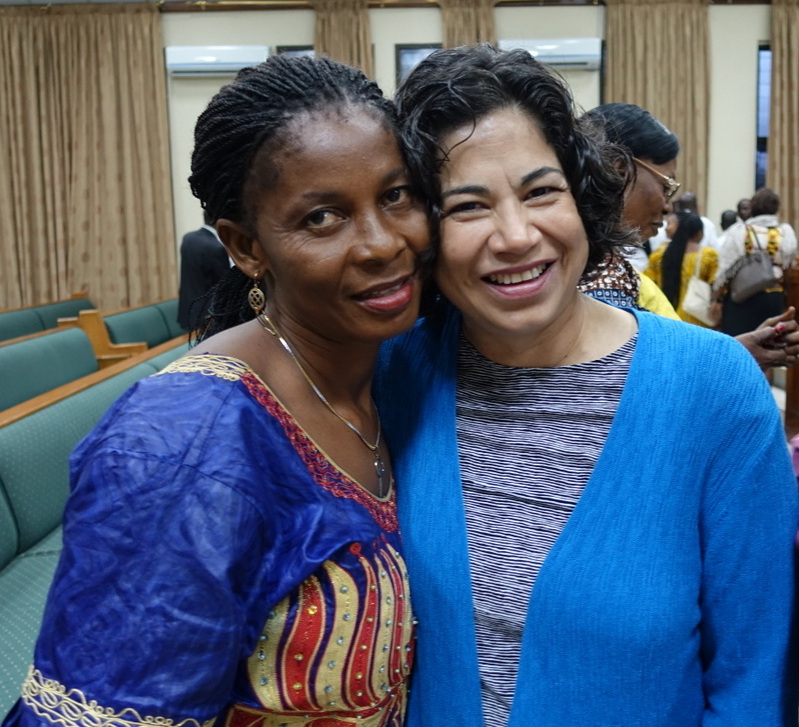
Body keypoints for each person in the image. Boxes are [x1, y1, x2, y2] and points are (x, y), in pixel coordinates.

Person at [2, 55, 428, 727]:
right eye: (323, 217)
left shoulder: (396, 373)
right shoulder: (184, 442)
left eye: (396, 195)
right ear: (245, 246)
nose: (382, 243)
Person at [380, 44, 798, 726]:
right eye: (467, 206)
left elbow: (752, 679)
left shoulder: (712, 389)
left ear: (581, 198)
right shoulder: (394, 374)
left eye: (541, 192)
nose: (516, 236)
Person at [582, 102, 799, 370]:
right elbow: (638, 379)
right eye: (666, 186)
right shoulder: (592, 279)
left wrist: (735, 351)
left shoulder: (610, 267)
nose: (667, 207)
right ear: (619, 171)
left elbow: (660, 361)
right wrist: (733, 357)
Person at [713, 187, 797, 337]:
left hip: (742, 297)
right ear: (776, 208)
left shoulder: (740, 231)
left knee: (740, 342)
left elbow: (725, 271)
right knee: (770, 342)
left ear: (753, 207)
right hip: (773, 297)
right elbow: (788, 266)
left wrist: (716, 299)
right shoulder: (785, 233)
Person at [644, 210, 719, 327]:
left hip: (664, 317)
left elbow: (647, 283)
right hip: (697, 320)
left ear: (680, 228)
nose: (666, 228)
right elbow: (717, 285)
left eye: (670, 223)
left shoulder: (659, 254)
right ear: (699, 233)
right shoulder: (708, 255)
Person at [177, 208, 230, 331]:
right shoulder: (216, 247)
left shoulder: (188, 238)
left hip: (188, 309)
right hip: (207, 315)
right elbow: (225, 285)